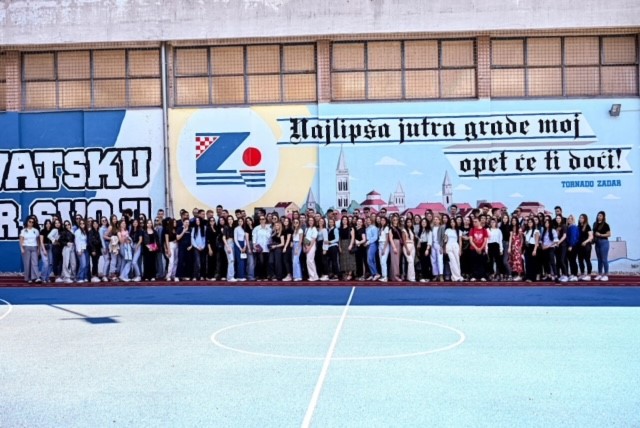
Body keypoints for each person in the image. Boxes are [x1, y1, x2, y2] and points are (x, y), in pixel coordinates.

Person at [19, 217, 42, 284]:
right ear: (27, 222)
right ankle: (28, 278)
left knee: (35, 263)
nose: (31, 223)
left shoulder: (36, 230)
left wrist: (39, 249)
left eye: (32, 222)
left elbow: (38, 240)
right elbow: (21, 240)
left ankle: (36, 277)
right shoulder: (23, 231)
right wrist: (21, 248)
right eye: (30, 221)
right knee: (27, 263)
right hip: (26, 247)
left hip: (34, 247)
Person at [468, 218, 489, 282]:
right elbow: (471, 240)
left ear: (479, 222)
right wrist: (476, 248)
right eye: (473, 222)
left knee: (481, 263)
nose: (474, 223)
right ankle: (474, 276)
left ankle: (482, 276)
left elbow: (485, 240)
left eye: (476, 221)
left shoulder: (484, 230)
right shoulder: (472, 230)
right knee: (474, 263)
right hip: (473, 249)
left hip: (482, 249)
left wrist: (481, 248)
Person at [593, 211, 611, 281]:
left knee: (604, 259)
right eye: (598, 215)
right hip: (597, 243)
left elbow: (609, 234)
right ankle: (599, 274)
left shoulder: (606, 225)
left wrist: (600, 235)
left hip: (604, 242)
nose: (599, 217)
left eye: (600, 216)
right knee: (599, 259)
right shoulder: (595, 224)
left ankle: (606, 275)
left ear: (603, 217)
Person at [444, 217, 463, 281]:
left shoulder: (459, 231)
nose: (452, 223)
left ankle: (458, 276)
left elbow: (460, 241)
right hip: (449, 246)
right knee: (452, 262)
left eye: (453, 222)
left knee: (457, 261)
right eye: (451, 222)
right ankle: (456, 277)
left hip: (456, 246)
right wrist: (444, 247)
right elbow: (445, 239)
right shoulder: (447, 230)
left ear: (455, 223)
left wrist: (460, 250)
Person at [338, 215, 355, 281]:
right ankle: (345, 273)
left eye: (345, 219)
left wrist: (351, 245)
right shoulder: (340, 229)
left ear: (347, 220)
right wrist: (339, 246)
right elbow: (339, 238)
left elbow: (353, 237)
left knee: (350, 260)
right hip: (342, 244)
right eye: (343, 220)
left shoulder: (351, 228)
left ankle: (350, 274)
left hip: (348, 243)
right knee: (343, 260)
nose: (344, 221)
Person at [577, 214, 593, 281]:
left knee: (587, 260)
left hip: (586, 246)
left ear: (585, 219)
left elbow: (591, 237)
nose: (581, 219)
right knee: (580, 260)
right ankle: (582, 274)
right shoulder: (578, 226)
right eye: (580, 218)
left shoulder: (587, 226)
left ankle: (589, 275)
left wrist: (585, 242)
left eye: (582, 218)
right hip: (579, 246)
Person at [523, 218, 540, 282]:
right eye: (529, 222)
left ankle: (532, 277)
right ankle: (528, 276)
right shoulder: (526, 231)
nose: (529, 223)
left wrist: (535, 250)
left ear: (533, 223)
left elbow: (536, 242)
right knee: (527, 263)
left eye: (531, 222)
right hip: (527, 248)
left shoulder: (536, 231)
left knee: (532, 263)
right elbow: (525, 241)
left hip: (533, 247)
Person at [191, 217, 207, 281]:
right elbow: (192, 238)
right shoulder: (194, 229)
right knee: (197, 262)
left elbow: (205, 238)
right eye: (196, 220)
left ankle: (202, 275)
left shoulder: (204, 228)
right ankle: (195, 275)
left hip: (203, 247)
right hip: (196, 247)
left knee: (203, 261)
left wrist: (203, 246)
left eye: (198, 220)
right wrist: (197, 246)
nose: (197, 221)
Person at [74, 218, 89, 283]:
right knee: (83, 264)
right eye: (81, 223)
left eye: (83, 223)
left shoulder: (85, 231)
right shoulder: (77, 232)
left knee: (86, 264)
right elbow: (77, 242)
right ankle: (79, 277)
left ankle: (84, 277)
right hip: (80, 250)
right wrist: (79, 250)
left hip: (85, 249)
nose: (82, 224)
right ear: (79, 224)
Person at [365, 216, 380, 281]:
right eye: (367, 220)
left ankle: (376, 273)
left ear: (371, 221)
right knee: (371, 260)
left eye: (369, 220)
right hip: (368, 245)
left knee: (370, 260)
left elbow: (375, 237)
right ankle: (373, 274)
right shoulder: (367, 228)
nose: (368, 221)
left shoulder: (374, 228)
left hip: (373, 244)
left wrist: (368, 242)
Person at [304, 217, 319, 281]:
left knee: (310, 261)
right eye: (309, 220)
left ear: (314, 221)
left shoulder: (314, 229)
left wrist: (309, 247)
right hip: (307, 245)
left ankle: (313, 276)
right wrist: (305, 246)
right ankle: (314, 276)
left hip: (312, 246)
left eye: (312, 220)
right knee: (309, 261)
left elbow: (313, 239)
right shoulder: (307, 228)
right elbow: (305, 238)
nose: (310, 221)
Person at [388, 215, 403, 282]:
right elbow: (390, 238)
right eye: (394, 220)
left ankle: (392, 276)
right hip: (394, 244)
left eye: (396, 220)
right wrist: (394, 247)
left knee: (397, 260)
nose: (395, 221)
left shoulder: (399, 228)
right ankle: (395, 276)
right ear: (392, 220)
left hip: (399, 244)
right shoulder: (391, 228)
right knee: (395, 261)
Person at [223, 215, 236, 281]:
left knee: (232, 261)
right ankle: (230, 277)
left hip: (233, 244)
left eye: (231, 219)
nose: (230, 220)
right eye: (229, 219)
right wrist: (227, 246)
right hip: (228, 243)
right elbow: (223, 238)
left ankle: (231, 276)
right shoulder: (226, 227)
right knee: (231, 260)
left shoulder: (234, 227)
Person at [378, 216, 390, 282]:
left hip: (384, 245)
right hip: (380, 244)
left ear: (386, 221)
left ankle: (385, 276)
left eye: (383, 220)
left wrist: (384, 249)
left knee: (383, 261)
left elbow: (387, 239)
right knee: (381, 262)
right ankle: (383, 276)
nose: (382, 221)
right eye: (381, 220)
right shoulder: (380, 228)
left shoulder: (386, 228)